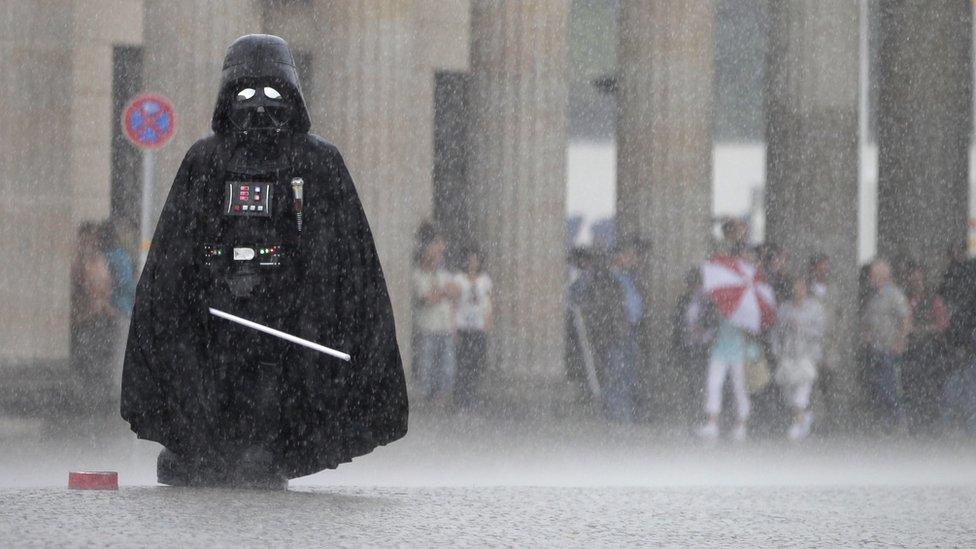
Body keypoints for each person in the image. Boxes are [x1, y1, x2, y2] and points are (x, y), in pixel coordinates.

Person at [121, 34, 408, 489]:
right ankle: (205, 447)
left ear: (290, 95)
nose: (258, 107)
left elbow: (339, 255)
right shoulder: (206, 160)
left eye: (272, 95)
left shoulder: (315, 161)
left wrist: (306, 298)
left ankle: (271, 446)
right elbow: (177, 255)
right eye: (246, 94)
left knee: (270, 399)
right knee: (207, 390)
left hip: (285, 322)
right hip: (214, 317)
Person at [582, 237, 646, 422]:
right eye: (630, 255)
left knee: (629, 372)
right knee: (616, 371)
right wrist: (610, 327)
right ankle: (616, 413)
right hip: (617, 331)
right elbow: (603, 306)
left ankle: (626, 412)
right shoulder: (606, 277)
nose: (633, 259)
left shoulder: (630, 277)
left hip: (631, 329)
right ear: (619, 257)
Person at [770, 277, 826, 441]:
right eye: (795, 288)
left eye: (801, 288)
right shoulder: (784, 309)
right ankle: (805, 417)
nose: (798, 291)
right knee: (788, 393)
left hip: (807, 355)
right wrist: (777, 352)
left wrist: (802, 327)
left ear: (805, 290)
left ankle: (795, 425)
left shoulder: (815, 308)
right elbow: (776, 332)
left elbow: (820, 332)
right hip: (788, 356)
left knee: (802, 392)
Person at [860, 259, 911, 434]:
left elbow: (905, 319)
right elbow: (867, 320)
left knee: (891, 387)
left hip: (890, 349)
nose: (870, 278)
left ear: (883, 276)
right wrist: (866, 335)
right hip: (875, 349)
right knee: (879, 388)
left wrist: (900, 342)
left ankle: (899, 422)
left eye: (873, 275)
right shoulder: (873, 296)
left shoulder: (895, 295)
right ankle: (887, 423)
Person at [70, 222, 115, 414]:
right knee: (86, 362)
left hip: (101, 316)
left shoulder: (100, 259)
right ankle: (85, 403)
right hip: (84, 319)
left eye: (95, 237)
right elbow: (80, 288)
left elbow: (106, 286)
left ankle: (97, 402)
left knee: (99, 360)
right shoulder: (79, 261)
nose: (93, 241)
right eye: (89, 237)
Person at [899, 261, 949, 432]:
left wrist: (923, 330)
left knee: (929, 388)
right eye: (913, 280)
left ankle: (931, 423)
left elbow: (942, 324)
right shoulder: (903, 299)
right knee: (911, 387)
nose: (916, 283)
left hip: (930, 353)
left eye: (919, 280)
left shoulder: (933, 300)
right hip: (910, 354)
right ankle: (915, 422)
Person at [412, 227, 459, 406]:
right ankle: (426, 398)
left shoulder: (443, 272)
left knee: (447, 367)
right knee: (427, 367)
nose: (440, 252)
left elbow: (455, 291)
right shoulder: (418, 274)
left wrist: (441, 293)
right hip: (428, 327)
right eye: (435, 246)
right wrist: (442, 292)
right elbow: (428, 298)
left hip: (445, 327)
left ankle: (441, 397)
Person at [452, 246, 492, 409]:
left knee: (475, 365)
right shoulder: (459, 279)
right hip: (463, 327)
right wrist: (453, 326)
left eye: (475, 260)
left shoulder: (485, 280)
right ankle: (461, 399)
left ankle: (472, 397)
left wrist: (487, 323)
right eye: (470, 259)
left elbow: (488, 303)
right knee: (462, 365)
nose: (472, 263)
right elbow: (454, 303)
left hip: (478, 328)